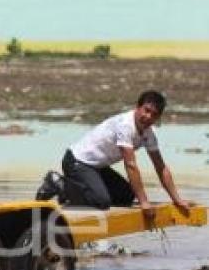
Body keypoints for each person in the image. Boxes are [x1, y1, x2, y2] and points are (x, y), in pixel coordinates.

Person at [61, 90, 192, 219]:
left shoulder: (148, 134)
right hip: (76, 161)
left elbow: (160, 167)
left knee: (126, 196)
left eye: (154, 115)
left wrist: (177, 199)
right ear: (138, 107)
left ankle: (86, 189)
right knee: (101, 201)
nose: (148, 117)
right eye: (146, 110)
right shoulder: (125, 126)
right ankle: (60, 186)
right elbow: (130, 165)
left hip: (96, 167)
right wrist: (144, 202)